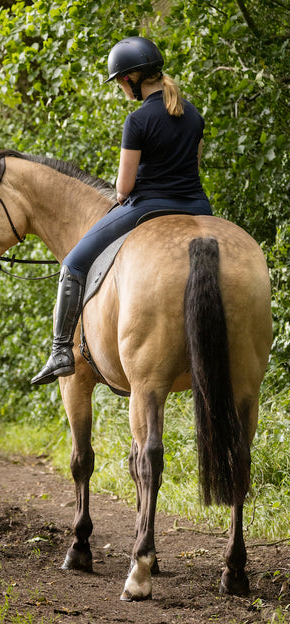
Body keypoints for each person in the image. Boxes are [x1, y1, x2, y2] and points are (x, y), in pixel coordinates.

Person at [31, 36, 212, 386]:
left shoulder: (139, 121)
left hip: (146, 207)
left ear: (132, 78)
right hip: (197, 206)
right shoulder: (192, 114)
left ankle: (59, 351)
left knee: (72, 263)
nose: (119, 87)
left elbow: (124, 189)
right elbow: (194, 165)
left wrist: (121, 185)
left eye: (119, 80)